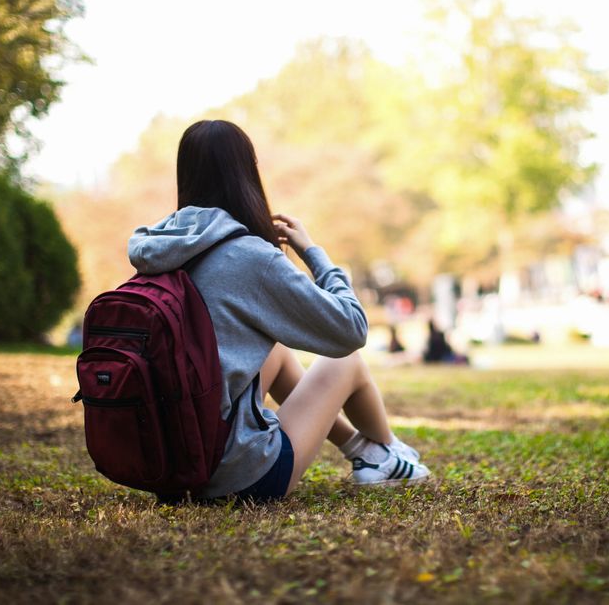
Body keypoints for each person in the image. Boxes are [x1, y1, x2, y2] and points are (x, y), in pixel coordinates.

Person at [128, 120, 429, 503]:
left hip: (171, 468)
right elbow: (350, 328)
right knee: (346, 362)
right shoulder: (249, 256)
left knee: (276, 350)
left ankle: (365, 452)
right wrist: (314, 254)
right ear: (246, 173)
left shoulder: (159, 250)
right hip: (235, 477)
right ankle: (387, 454)